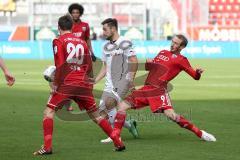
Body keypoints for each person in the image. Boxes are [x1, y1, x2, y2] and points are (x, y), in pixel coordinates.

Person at [33, 15, 125, 156]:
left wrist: (56, 84)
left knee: (48, 112)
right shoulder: (82, 42)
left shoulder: (58, 40)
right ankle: (118, 142)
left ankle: (47, 147)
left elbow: (61, 64)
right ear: (72, 27)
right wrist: (88, 84)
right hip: (83, 83)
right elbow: (88, 65)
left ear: (58, 27)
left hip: (67, 84)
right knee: (96, 116)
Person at [111, 34, 216, 143]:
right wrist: (149, 63)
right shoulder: (162, 52)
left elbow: (195, 76)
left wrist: (198, 73)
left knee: (172, 116)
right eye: (172, 41)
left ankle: (200, 133)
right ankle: (116, 136)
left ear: (182, 47)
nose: (172, 44)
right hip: (146, 88)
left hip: (158, 90)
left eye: (176, 43)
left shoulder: (181, 60)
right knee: (121, 106)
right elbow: (152, 68)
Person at [93, 18, 139, 143]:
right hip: (109, 83)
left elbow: (134, 61)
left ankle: (114, 135)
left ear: (113, 29)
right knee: (102, 112)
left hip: (122, 81)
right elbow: (105, 67)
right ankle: (130, 125)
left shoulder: (125, 42)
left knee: (109, 104)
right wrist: (95, 80)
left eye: (105, 29)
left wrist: (130, 79)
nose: (103, 32)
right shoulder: (105, 46)